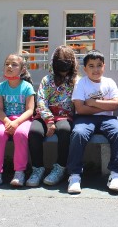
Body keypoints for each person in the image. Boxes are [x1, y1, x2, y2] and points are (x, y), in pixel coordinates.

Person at [66, 49, 118, 194]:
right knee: (78, 133)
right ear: (85, 69)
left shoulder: (109, 82)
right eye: (91, 66)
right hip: (85, 119)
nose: (96, 69)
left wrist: (92, 102)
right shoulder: (81, 83)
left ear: (104, 66)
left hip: (108, 119)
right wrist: (104, 104)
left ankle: (115, 174)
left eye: (99, 65)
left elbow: (116, 105)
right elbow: (80, 109)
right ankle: (74, 176)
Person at [26, 46, 77, 187]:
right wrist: (48, 120)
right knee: (34, 132)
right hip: (44, 115)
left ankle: (60, 167)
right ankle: (37, 168)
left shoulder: (75, 81)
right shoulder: (46, 80)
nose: (63, 73)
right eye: (60, 69)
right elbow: (41, 100)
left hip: (64, 116)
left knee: (65, 131)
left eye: (66, 69)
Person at [0, 54, 35, 188]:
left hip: (22, 120)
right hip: (4, 120)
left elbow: (30, 110)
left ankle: (19, 172)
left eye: (14, 64)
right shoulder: (1, 87)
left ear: (22, 70)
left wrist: (16, 122)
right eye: (7, 64)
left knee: (20, 134)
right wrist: (7, 121)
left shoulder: (27, 87)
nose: (9, 66)